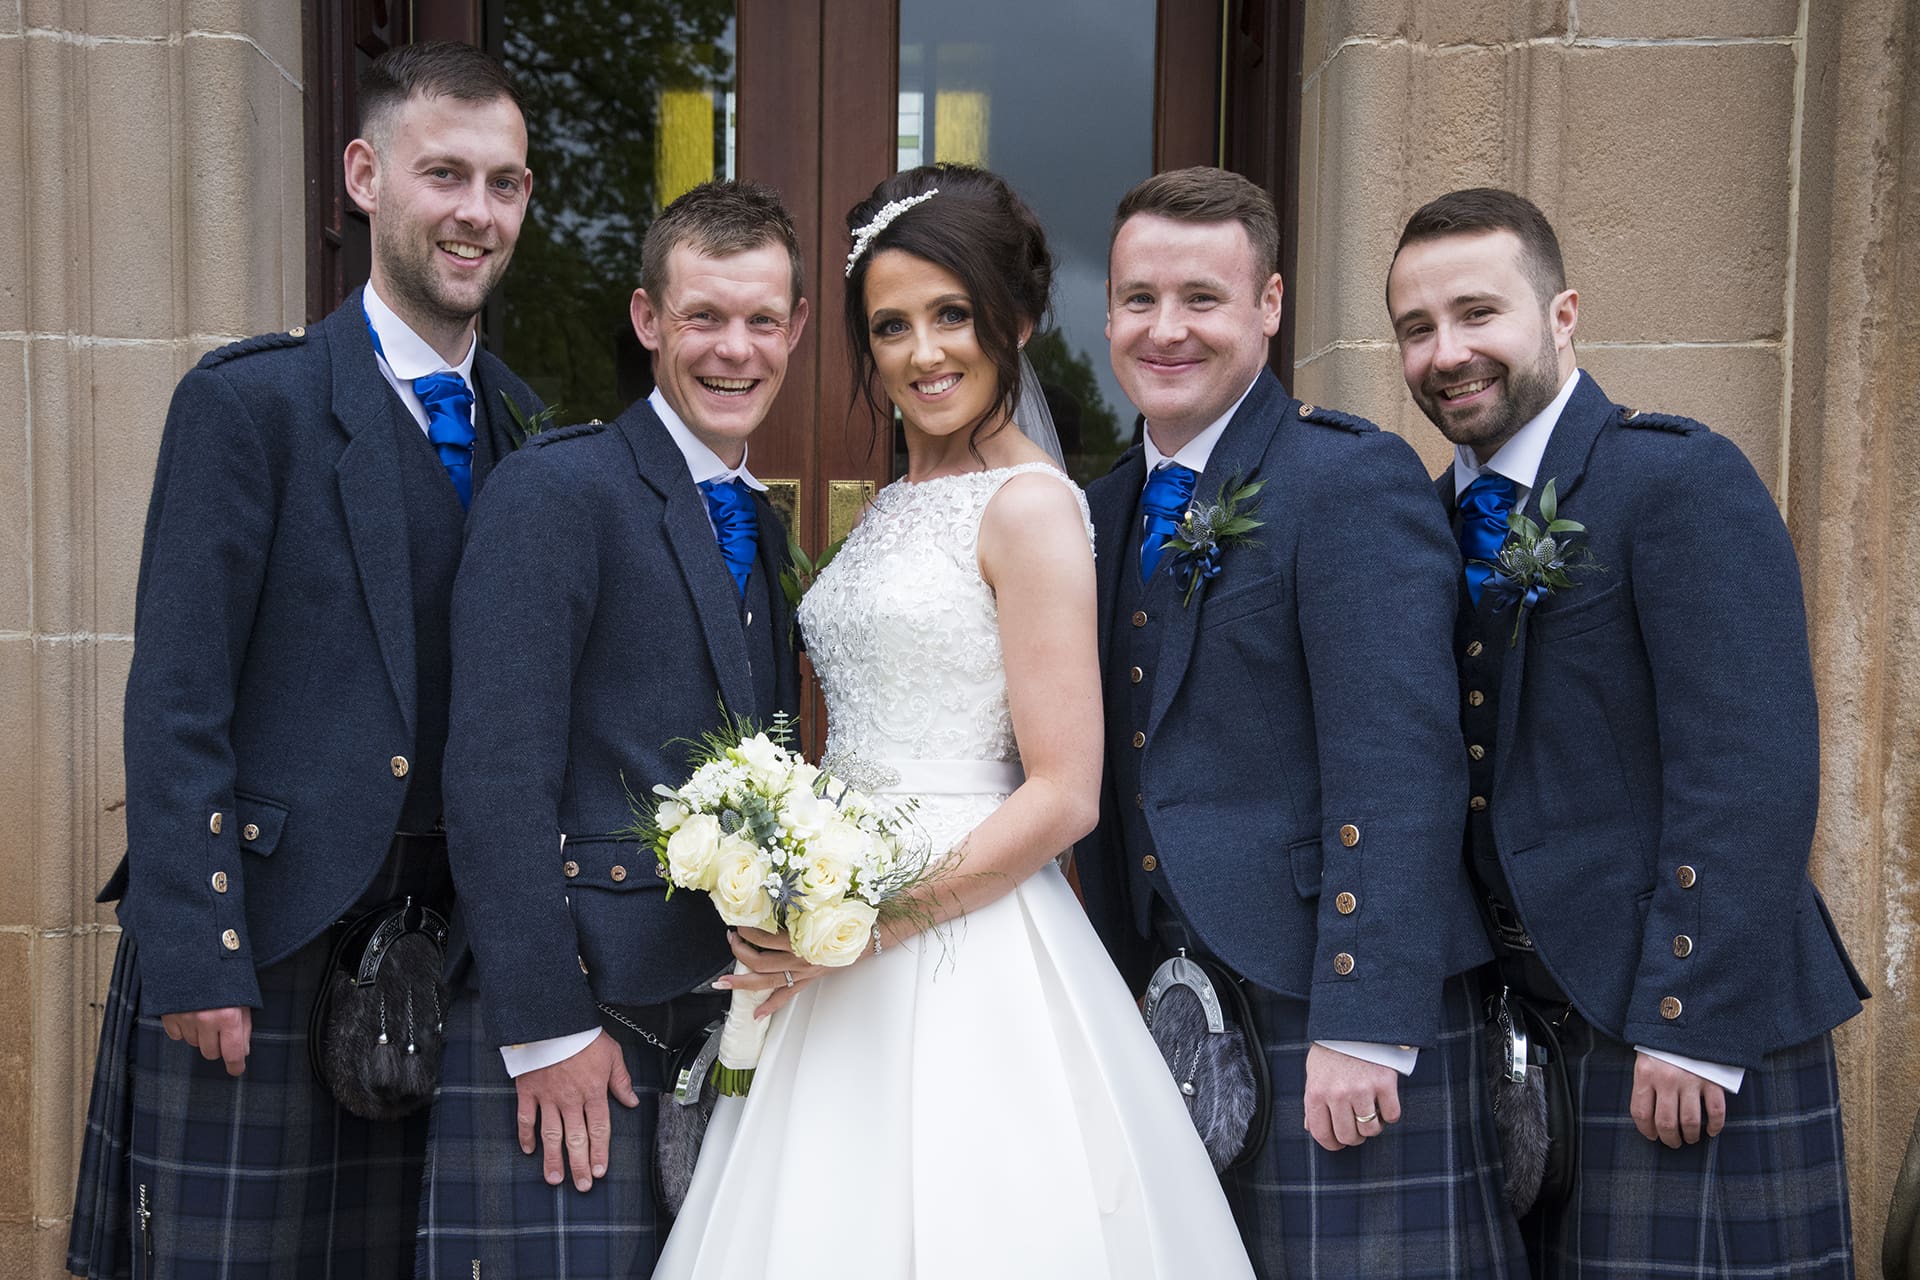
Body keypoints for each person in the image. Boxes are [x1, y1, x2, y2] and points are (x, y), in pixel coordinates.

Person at [654, 164, 1254, 1279]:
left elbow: (1065, 793)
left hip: (959, 938)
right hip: (835, 927)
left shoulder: (1030, 507)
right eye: (892, 325)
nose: (923, 352)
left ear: (1012, 322)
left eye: (953, 315)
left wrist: (869, 920)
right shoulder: (892, 503)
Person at [65, 41, 538, 1279]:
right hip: (263, 946)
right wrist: (197, 948)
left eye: (503, 182)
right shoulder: (250, 406)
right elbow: (178, 695)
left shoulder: (528, 429)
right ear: (364, 175)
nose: (477, 211)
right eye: (446, 174)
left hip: (450, 954)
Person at [1385, 186, 1867, 1277]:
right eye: (1417, 328)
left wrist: (1691, 1019)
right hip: (1520, 1031)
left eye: (1478, 313)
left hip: (1678, 1022)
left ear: (1563, 315)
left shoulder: (1675, 479)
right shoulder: (1419, 520)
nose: (1447, 353)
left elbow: (1749, 767)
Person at [1076, 166, 1526, 1278]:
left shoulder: (1345, 477)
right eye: (1139, 299)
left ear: (1270, 305)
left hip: (1330, 1007)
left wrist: (1365, 1018)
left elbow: (1402, 761)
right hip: (1160, 1005)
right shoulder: (1098, 508)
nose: (1166, 329)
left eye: (1203, 297)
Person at [419, 180, 806, 1278]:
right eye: (703, 317)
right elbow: (495, 773)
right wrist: (547, 1028)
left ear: (795, 329)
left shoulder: (763, 522)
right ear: (647, 319)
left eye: (762, 319)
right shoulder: (559, 490)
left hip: (715, 1018)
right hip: (578, 1020)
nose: (735, 350)